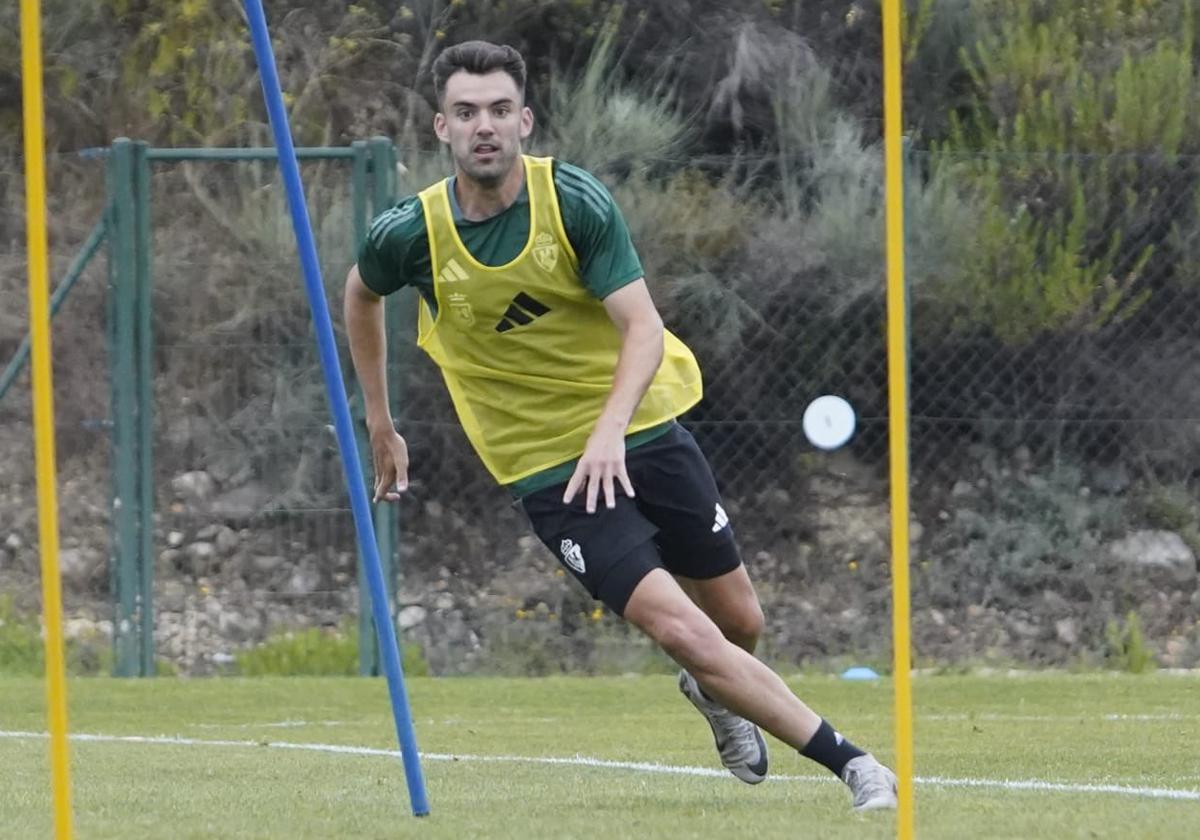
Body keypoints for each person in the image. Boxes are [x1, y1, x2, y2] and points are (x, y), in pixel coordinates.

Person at [343, 39, 898, 812]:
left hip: (641, 429)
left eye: (500, 109)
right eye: (466, 112)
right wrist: (379, 419)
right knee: (683, 629)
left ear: (525, 120)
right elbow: (360, 296)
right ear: (441, 128)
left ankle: (714, 695)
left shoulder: (573, 203)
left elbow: (642, 327)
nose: (485, 127)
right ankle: (856, 766)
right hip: (546, 468)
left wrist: (608, 431)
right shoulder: (410, 233)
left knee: (739, 621)